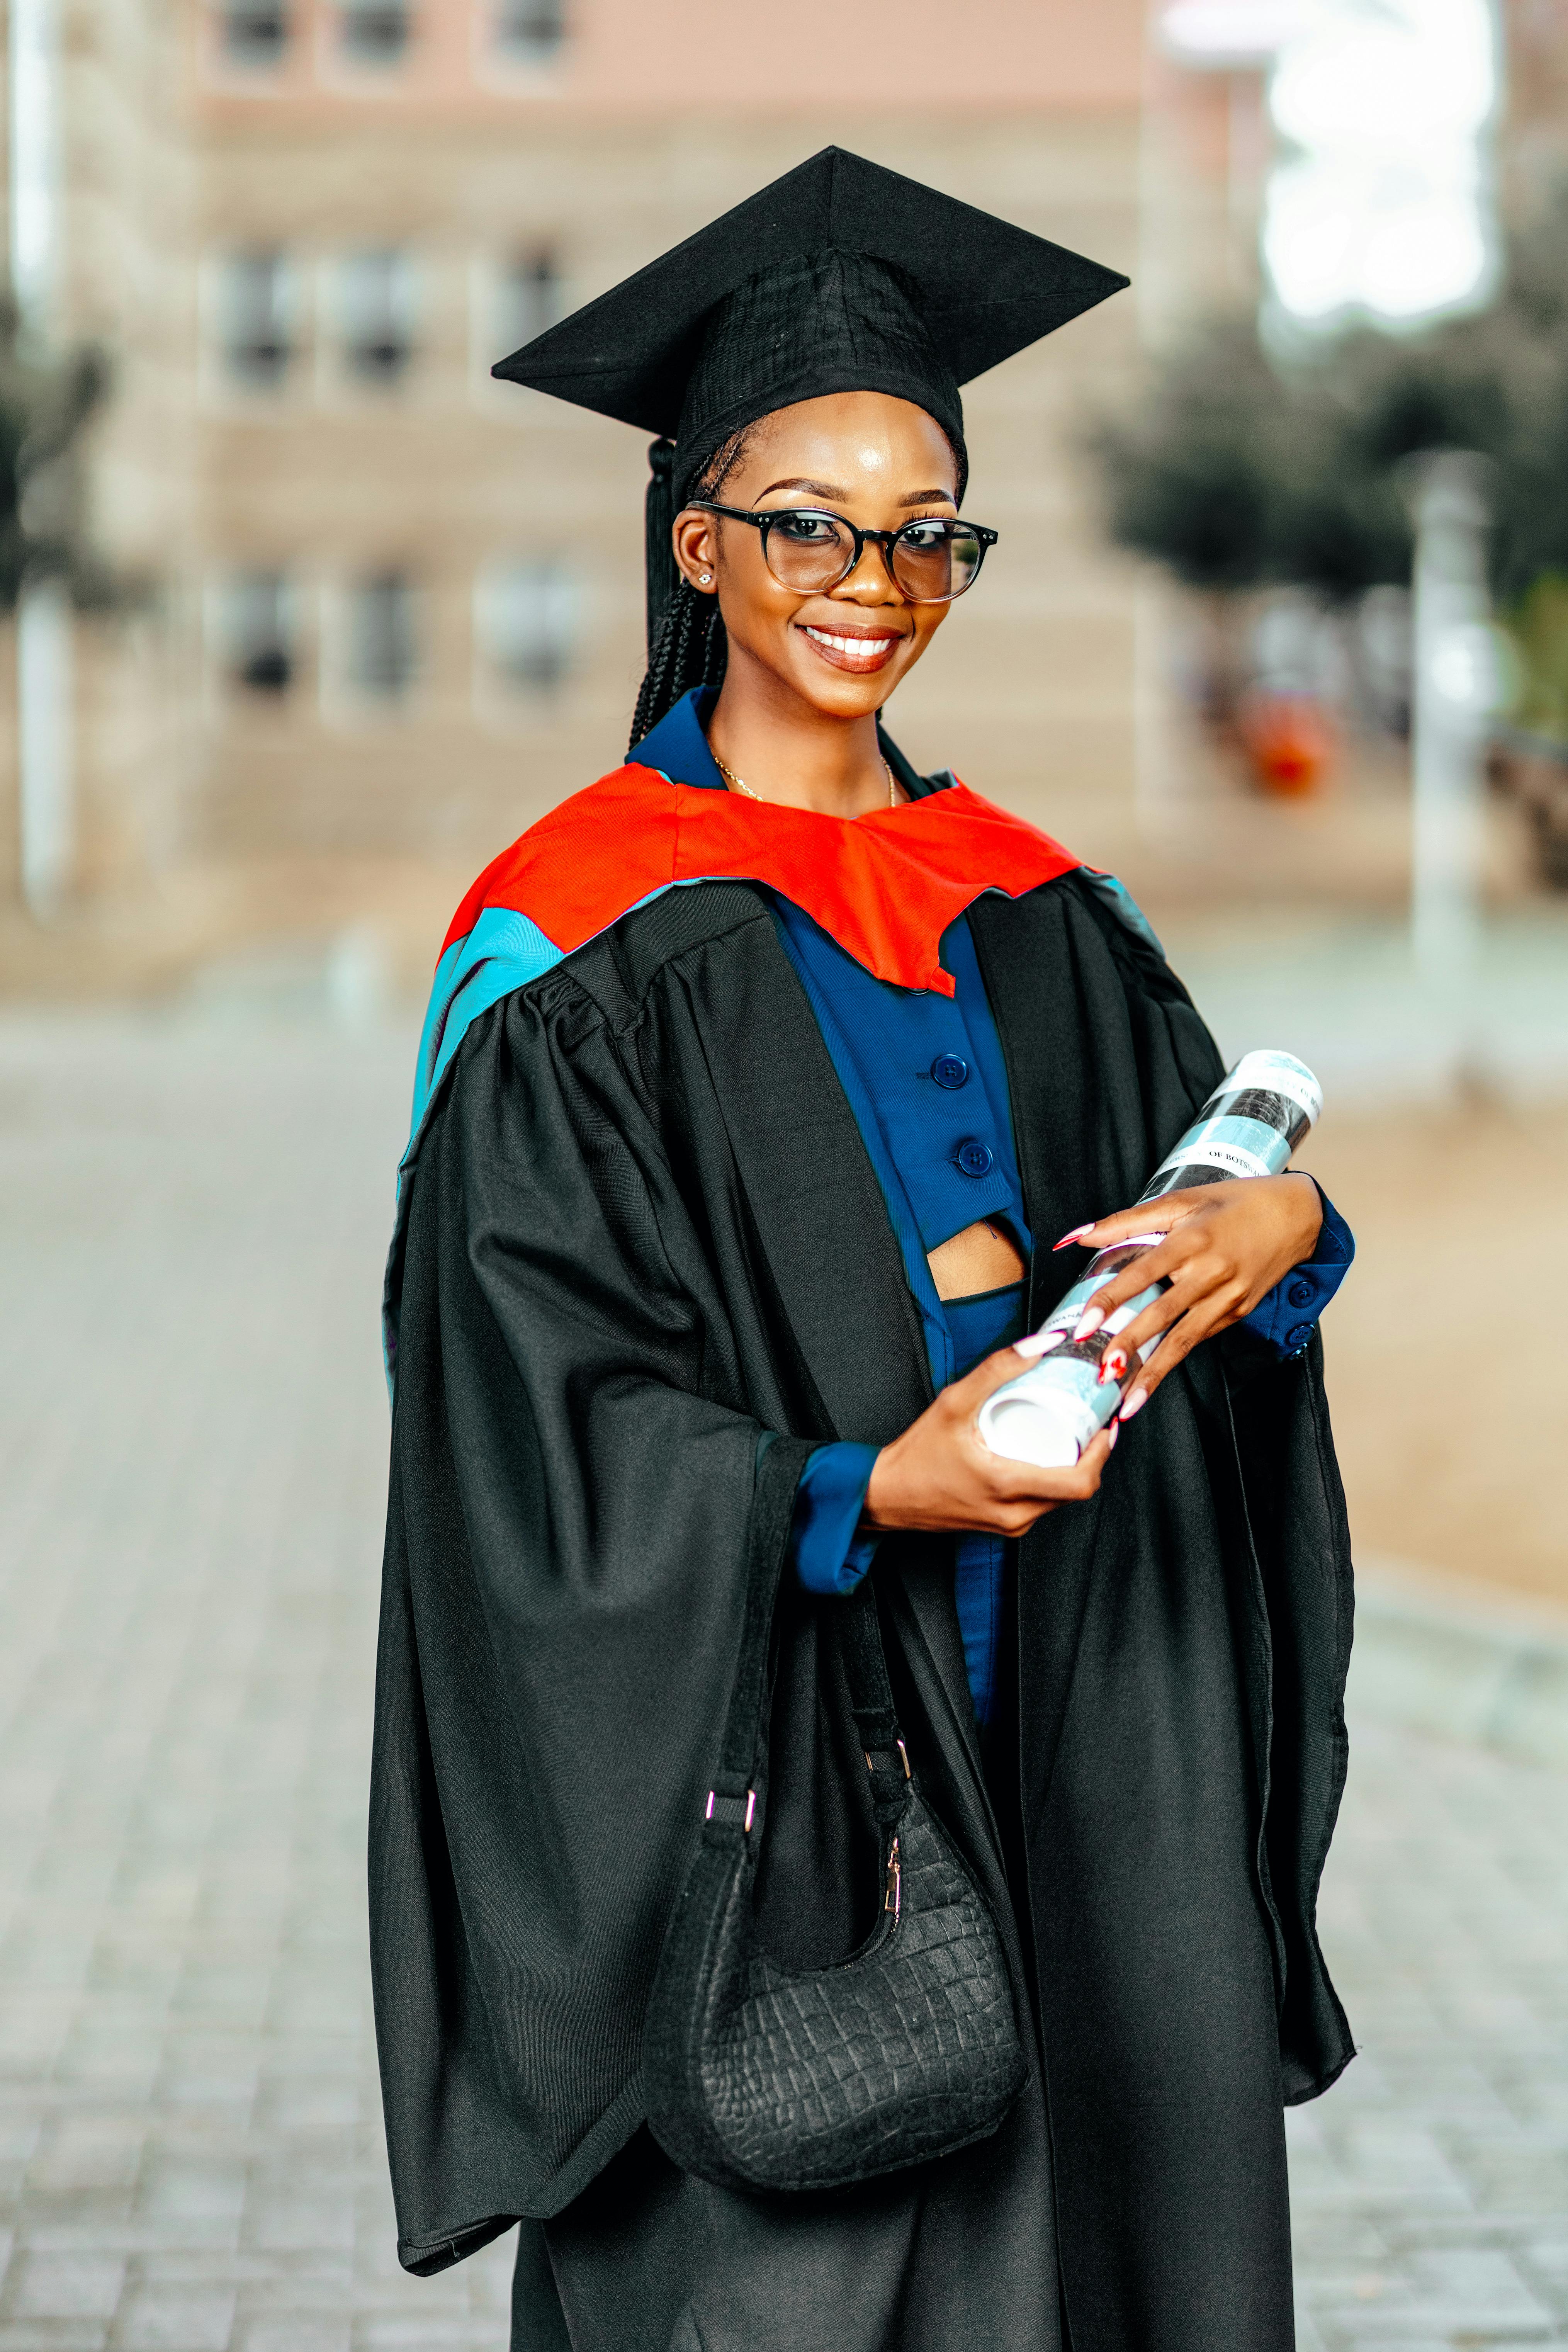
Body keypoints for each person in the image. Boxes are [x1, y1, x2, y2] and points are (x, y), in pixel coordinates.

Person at [370, 148, 1357, 2352]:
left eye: (928, 530)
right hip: (787, 1726)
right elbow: (525, 1429)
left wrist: (1290, 1222)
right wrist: (856, 1488)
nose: (873, 577)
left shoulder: (1035, 900)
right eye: (810, 520)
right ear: (698, 538)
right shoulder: (571, 947)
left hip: (1093, 1695)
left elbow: (1202, 1213)